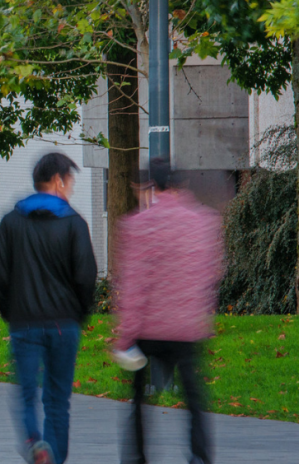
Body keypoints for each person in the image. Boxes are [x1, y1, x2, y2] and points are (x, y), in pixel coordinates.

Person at [0, 152, 97, 464]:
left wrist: (12, 314)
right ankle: (54, 457)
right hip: (64, 324)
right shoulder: (74, 224)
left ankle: (34, 443)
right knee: (57, 401)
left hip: (24, 323)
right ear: (58, 180)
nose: (72, 188)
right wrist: (79, 315)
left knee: (26, 394)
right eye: (71, 181)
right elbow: (86, 277)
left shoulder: (11, 223)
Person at [114, 157, 222, 464]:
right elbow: (210, 274)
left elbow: (134, 284)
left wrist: (126, 335)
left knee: (138, 399)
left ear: (151, 185)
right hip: (187, 328)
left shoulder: (137, 225)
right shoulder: (204, 222)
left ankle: (137, 458)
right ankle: (199, 457)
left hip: (148, 329)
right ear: (181, 185)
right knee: (194, 399)